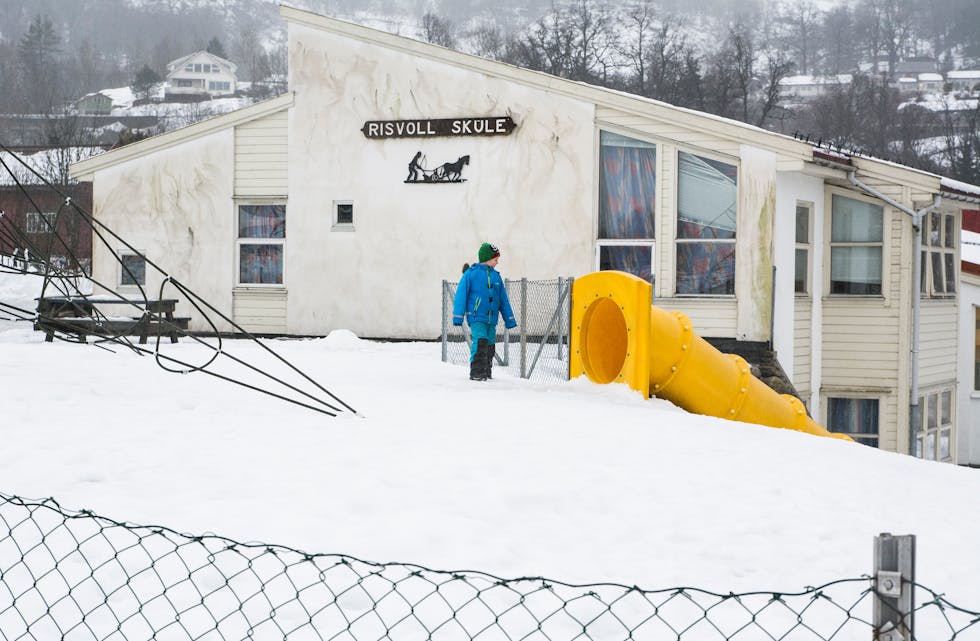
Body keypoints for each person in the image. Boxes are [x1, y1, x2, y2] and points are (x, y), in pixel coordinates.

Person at [452, 242, 517, 381]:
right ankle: (476, 372)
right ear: (487, 259)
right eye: (495, 259)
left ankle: (486, 372)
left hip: (491, 319)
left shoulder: (496, 277)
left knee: (490, 345)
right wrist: (458, 316)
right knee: (480, 341)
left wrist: (509, 319)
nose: (497, 262)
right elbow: (461, 295)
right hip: (477, 317)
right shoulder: (471, 274)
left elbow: (503, 300)